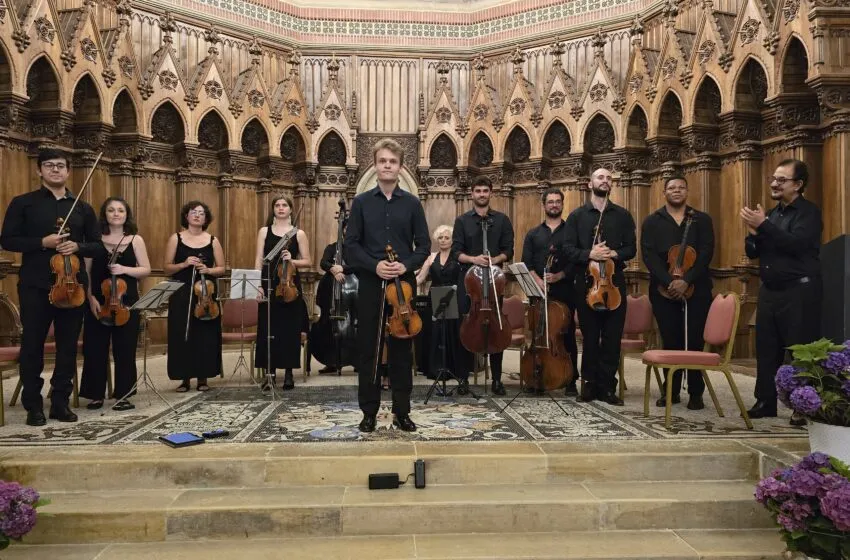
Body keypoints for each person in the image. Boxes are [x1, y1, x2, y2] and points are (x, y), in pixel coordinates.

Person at [0, 148, 102, 426]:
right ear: (39, 171)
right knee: (32, 345)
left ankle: (60, 403)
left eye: (60, 166)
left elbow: (98, 246)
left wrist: (78, 246)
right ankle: (33, 405)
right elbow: (7, 240)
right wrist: (40, 243)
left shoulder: (82, 207)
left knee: (67, 348)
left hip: (72, 287)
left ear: (68, 171)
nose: (55, 170)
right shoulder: (24, 203)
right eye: (49, 165)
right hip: (35, 285)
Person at [344, 138, 430, 433]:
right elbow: (350, 246)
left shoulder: (413, 204)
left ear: (400, 166)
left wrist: (406, 265)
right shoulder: (362, 203)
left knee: (402, 351)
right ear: (376, 165)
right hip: (370, 283)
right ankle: (368, 412)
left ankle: (402, 412)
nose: (387, 166)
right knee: (368, 349)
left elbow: (424, 245)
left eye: (392, 162)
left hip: (403, 285)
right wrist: (374, 265)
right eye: (382, 161)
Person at [740, 159, 822, 425]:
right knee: (766, 349)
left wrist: (763, 226)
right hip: (770, 291)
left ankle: (802, 406)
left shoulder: (808, 213)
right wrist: (753, 234)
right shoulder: (773, 215)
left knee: (800, 351)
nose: (774, 184)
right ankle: (765, 401)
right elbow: (754, 252)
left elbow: (796, 245)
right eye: (773, 179)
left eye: (781, 180)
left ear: (798, 185)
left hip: (799, 291)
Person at [562, 167, 636, 406]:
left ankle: (607, 387)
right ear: (589, 183)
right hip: (586, 285)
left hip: (614, 284)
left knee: (612, 339)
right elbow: (568, 249)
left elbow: (631, 249)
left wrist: (614, 253)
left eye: (608, 178)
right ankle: (589, 385)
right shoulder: (576, 216)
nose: (605, 180)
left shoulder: (622, 215)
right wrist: (589, 253)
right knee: (591, 338)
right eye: (600, 177)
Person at [641, 176, 714, 411]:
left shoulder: (701, 220)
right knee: (670, 340)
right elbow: (649, 255)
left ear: (687, 191)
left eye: (681, 187)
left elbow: (706, 253)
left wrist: (687, 280)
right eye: (671, 188)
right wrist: (669, 281)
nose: (676, 191)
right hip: (662, 290)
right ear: (664, 192)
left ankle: (696, 393)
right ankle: (670, 391)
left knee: (694, 341)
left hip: (697, 289)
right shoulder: (652, 221)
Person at [80, 197, 151, 411]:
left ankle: (124, 394)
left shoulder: (135, 240)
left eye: (120, 210)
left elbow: (146, 269)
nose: (116, 213)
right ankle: (95, 395)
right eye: (111, 210)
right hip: (98, 301)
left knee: (125, 349)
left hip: (126, 301)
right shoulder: (94, 239)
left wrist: (124, 270)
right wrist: (90, 297)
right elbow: (87, 272)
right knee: (95, 348)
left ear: (126, 214)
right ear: (105, 214)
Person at [452, 175, 514, 396]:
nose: (481, 194)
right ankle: (462, 379)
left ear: (490, 193)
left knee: (497, 328)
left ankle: (497, 379)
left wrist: (494, 261)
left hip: (494, 282)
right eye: (477, 191)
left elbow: (509, 250)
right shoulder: (462, 221)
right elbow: (456, 253)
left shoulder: (502, 220)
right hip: (469, 285)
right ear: (472, 194)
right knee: (465, 329)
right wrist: (474, 260)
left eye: (485, 191)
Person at [521, 186, 579, 396]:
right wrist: (537, 280)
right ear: (544, 205)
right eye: (550, 201)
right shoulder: (533, 234)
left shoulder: (571, 232)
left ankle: (571, 379)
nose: (554, 204)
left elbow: (575, 260)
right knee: (538, 334)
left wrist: (559, 275)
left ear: (562, 204)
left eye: (558, 201)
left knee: (566, 335)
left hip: (564, 289)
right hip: (538, 291)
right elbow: (527, 262)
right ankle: (537, 377)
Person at [163, 201, 225, 391]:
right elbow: (166, 268)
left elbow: (222, 268)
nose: (197, 215)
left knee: (205, 335)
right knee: (182, 333)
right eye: (193, 212)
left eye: (201, 213)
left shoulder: (213, 240)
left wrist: (208, 269)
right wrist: (183, 264)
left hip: (205, 293)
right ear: (186, 216)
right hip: (182, 292)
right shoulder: (176, 238)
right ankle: (184, 378)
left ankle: (203, 377)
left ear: (206, 218)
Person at [254, 196, 311, 390]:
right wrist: (257, 285)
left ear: (290, 209)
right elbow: (259, 259)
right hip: (268, 283)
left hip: (290, 286)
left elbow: (308, 261)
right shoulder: (264, 231)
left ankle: (288, 373)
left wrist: (293, 260)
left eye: (284, 205)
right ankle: (269, 374)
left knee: (289, 330)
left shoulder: (299, 233)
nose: (280, 208)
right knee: (268, 328)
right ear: (273, 209)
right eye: (277, 205)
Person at [416, 225, 464, 384]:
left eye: (447, 238)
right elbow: (420, 278)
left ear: (452, 240)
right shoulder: (431, 257)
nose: (443, 241)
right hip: (435, 297)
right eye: (440, 238)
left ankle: (452, 368)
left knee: (451, 331)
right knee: (436, 331)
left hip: (453, 296)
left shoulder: (458, 257)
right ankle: (436, 368)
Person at [317, 226, 356, 375]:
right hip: (330, 284)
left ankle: (355, 358)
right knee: (327, 322)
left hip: (351, 288)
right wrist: (333, 269)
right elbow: (323, 263)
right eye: (345, 227)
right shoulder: (332, 247)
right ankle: (330, 360)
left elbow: (359, 265)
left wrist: (343, 269)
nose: (348, 231)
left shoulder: (356, 249)